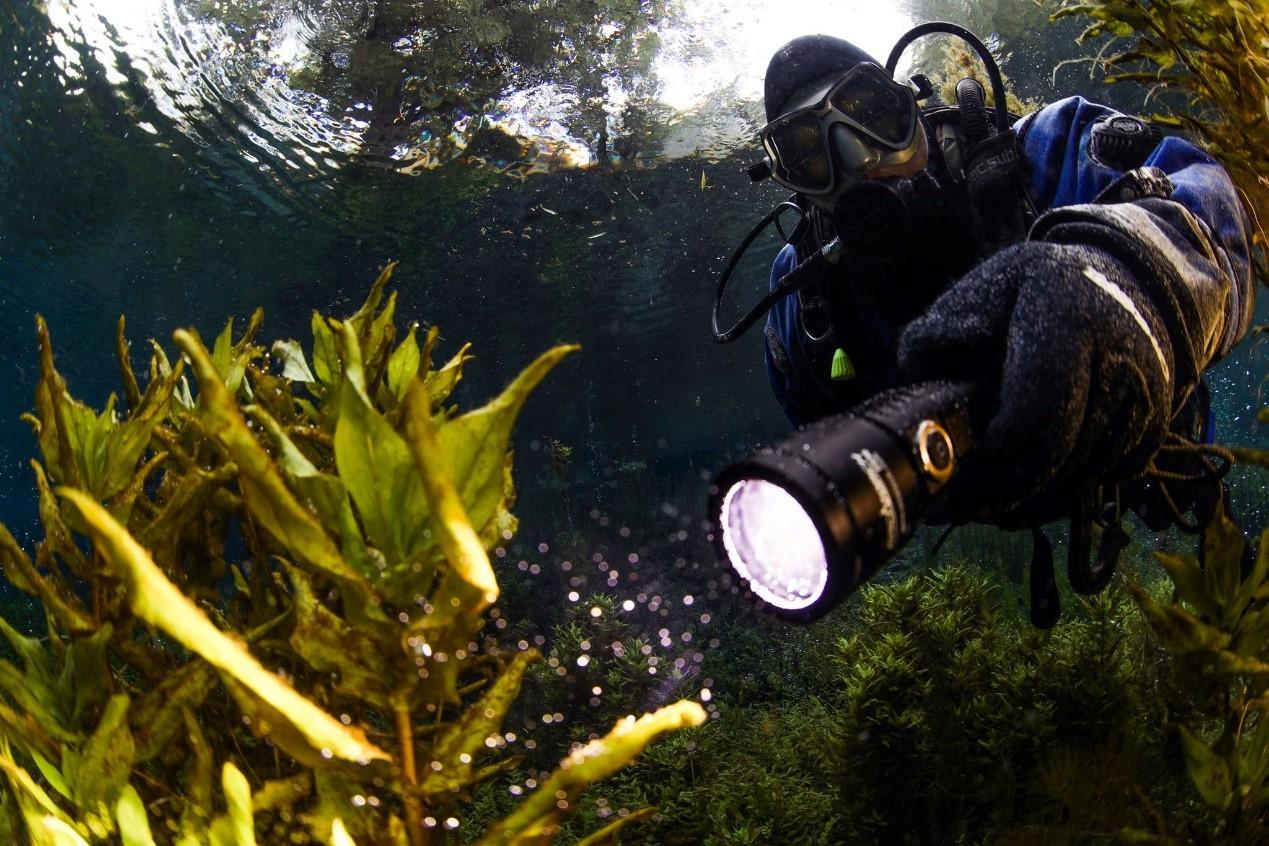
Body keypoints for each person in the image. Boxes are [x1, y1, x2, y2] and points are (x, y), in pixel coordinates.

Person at [748, 30, 1255, 540]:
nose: (859, 160)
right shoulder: (803, 305)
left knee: (1189, 502)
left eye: (873, 113)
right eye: (810, 153)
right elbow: (824, 441)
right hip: (1006, 495)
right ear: (793, 184)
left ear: (911, 105)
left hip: (1148, 452)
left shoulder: (1041, 151)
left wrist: (1123, 282)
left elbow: (1208, 208)